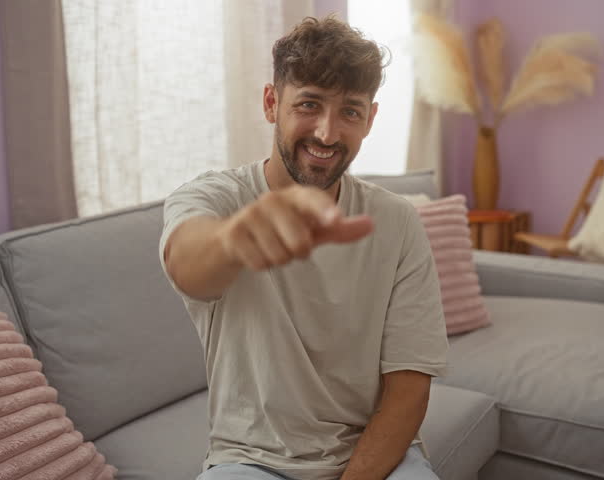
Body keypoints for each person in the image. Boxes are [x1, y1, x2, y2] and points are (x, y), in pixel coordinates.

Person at [160, 16, 448, 480]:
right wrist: (237, 238)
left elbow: (410, 387)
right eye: (309, 105)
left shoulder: (396, 221)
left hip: (374, 457)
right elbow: (189, 266)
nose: (327, 133)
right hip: (249, 460)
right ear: (272, 102)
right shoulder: (214, 199)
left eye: (350, 112)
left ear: (370, 120)